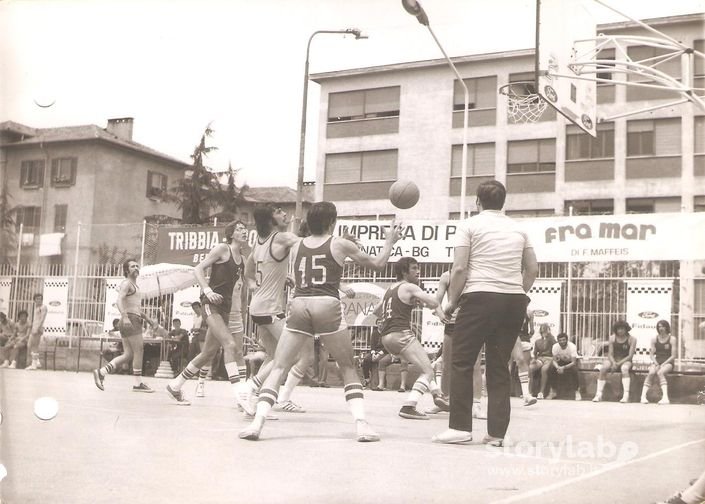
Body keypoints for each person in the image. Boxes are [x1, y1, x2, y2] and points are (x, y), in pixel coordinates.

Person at [239, 201, 402, 442]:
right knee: (347, 367)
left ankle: (257, 423)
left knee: (279, 366)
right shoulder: (339, 243)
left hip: (299, 305)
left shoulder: (295, 244)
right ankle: (361, 424)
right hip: (326, 304)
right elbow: (378, 264)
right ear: (332, 222)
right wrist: (390, 240)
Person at [435, 180, 538, 445]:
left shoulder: (469, 225)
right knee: (499, 366)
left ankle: (460, 428)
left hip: (480, 296)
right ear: (504, 202)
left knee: (462, 361)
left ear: (477, 202)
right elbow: (532, 270)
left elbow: (459, 269)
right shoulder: (519, 229)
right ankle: (496, 434)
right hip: (514, 300)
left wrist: (452, 302)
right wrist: (517, 291)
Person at [166, 220, 250, 407]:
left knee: (208, 353)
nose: (244, 231)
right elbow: (198, 268)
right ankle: (241, 397)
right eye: (239, 229)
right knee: (230, 345)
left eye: (245, 228)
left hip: (225, 308)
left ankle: (175, 385)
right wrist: (207, 290)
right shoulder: (222, 249)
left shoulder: (243, 259)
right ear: (231, 234)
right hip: (210, 305)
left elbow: (245, 286)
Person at [242, 205, 310, 415]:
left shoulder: (260, 242)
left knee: (273, 356)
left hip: (257, 307)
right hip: (270, 309)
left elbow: (248, 271)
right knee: (293, 355)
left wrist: (259, 286)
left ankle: (253, 401)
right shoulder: (280, 238)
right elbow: (308, 245)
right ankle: (249, 390)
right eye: (280, 211)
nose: (284, 214)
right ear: (271, 218)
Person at [374, 257, 449, 420]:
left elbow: (376, 311)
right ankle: (409, 405)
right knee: (429, 370)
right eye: (414, 268)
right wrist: (434, 302)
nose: (418, 271)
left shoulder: (390, 289)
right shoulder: (409, 287)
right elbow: (433, 301)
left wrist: (408, 304)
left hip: (387, 337)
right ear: (404, 271)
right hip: (401, 334)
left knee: (424, 366)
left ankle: (437, 395)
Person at [93, 259, 160, 392]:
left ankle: (101, 372)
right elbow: (119, 301)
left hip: (131, 319)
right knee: (139, 351)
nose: (136, 268)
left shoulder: (134, 286)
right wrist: (125, 316)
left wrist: (149, 320)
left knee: (128, 354)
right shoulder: (127, 284)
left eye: (137, 266)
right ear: (126, 270)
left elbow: (136, 308)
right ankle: (137, 384)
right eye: (132, 266)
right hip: (130, 320)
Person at [430, 268, 485, 419]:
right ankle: (445, 400)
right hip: (452, 323)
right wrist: (440, 313)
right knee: (447, 363)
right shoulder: (447, 276)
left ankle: (476, 405)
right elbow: (437, 301)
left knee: (475, 364)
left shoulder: (476, 274)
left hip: (473, 323)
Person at [593, 320, 637, 403]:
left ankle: (626, 395)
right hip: (613, 359)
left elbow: (630, 356)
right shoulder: (612, 338)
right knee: (603, 368)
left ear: (626, 329)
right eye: (618, 329)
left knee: (624, 369)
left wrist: (618, 364)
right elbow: (610, 354)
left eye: (622, 329)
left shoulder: (632, 339)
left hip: (625, 360)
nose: (620, 331)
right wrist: (613, 363)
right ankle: (598, 394)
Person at [640, 319, 677, 405]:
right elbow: (652, 354)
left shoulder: (672, 339)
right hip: (658, 361)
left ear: (667, 327)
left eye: (663, 326)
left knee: (660, 372)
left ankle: (665, 398)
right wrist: (656, 363)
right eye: (659, 326)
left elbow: (673, 356)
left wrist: (663, 364)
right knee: (651, 372)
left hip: (668, 362)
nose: (661, 328)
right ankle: (643, 397)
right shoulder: (654, 339)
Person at [510, 309, 537, 405]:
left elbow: (532, 330)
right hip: (509, 336)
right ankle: (503, 393)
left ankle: (526, 394)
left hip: (521, 338)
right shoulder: (508, 308)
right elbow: (532, 330)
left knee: (522, 362)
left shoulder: (529, 313)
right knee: (507, 366)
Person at [546, 332, 581, 401]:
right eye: (560, 340)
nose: (562, 342)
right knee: (550, 368)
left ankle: (577, 392)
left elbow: (573, 362)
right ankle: (553, 391)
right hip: (561, 362)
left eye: (563, 340)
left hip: (570, 363)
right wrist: (558, 367)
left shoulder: (572, 346)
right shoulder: (555, 346)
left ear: (567, 340)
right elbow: (554, 360)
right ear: (558, 341)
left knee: (574, 370)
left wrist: (563, 368)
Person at [530, 323, 557, 399]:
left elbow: (555, 348)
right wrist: (534, 359)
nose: (544, 333)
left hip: (549, 358)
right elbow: (535, 353)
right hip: (540, 358)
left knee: (544, 370)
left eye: (545, 330)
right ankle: (529, 392)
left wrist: (549, 335)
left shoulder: (552, 339)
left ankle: (541, 392)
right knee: (531, 368)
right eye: (542, 331)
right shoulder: (538, 341)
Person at [26, 293, 47, 370]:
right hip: (34, 328)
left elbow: (42, 318)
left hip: (38, 329)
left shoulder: (43, 307)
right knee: (30, 345)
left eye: (40, 298)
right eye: (37, 298)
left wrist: (37, 328)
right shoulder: (35, 308)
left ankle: (34, 364)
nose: (39, 300)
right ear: (34, 300)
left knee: (34, 346)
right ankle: (37, 361)